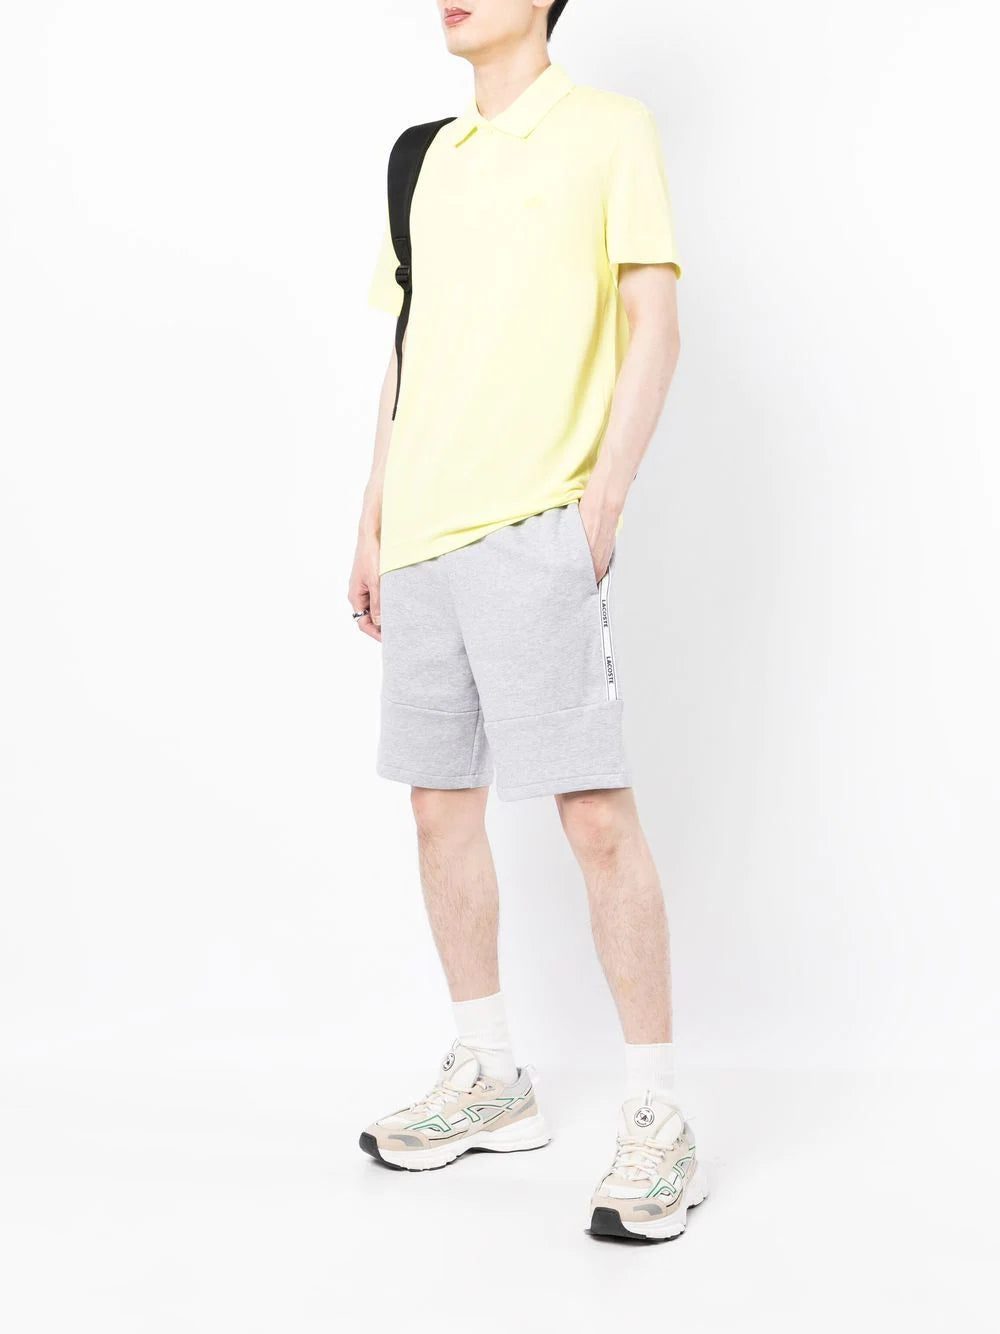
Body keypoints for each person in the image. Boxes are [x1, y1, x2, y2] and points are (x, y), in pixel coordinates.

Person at [349, 0, 706, 1241]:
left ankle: (658, 1112)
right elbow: (409, 352)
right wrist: (371, 518)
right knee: (437, 806)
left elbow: (653, 321)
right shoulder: (421, 158)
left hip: (533, 527)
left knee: (593, 813)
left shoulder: (608, 130)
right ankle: (490, 1072)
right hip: (422, 536)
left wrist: (599, 506)